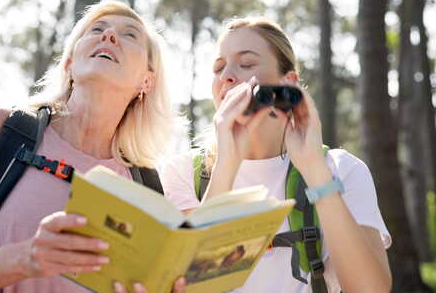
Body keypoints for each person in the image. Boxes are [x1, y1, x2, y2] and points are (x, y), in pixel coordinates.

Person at [0, 1, 185, 293]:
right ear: (70, 64)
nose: (109, 35)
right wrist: (27, 258)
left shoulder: (147, 188)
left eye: (130, 35)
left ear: (146, 82)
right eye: (97, 29)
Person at [159, 17, 392, 292]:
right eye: (219, 67)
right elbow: (188, 283)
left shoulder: (343, 169)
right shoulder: (183, 172)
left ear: (288, 81)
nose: (226, 76)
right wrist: (228, 162)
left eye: (246, 64)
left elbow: (370, 289)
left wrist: (315, 170)